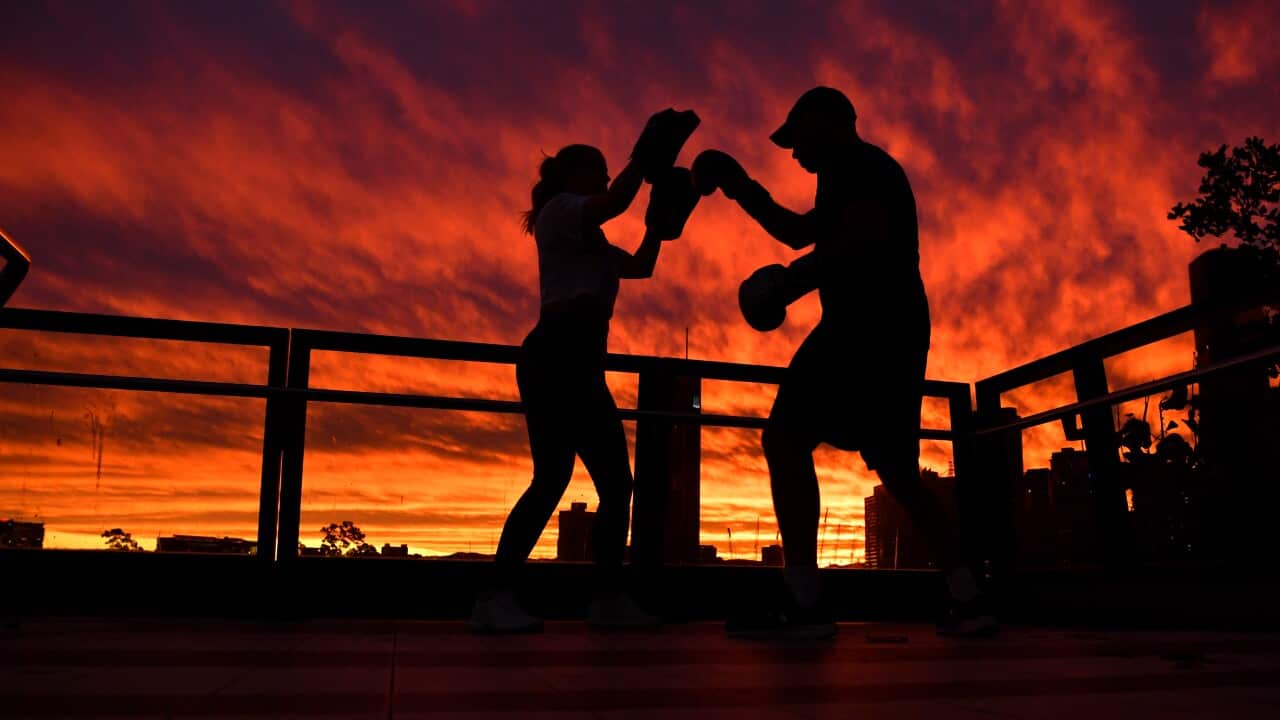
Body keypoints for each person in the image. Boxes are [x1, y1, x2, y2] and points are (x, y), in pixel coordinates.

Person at [692, 87, 996, 639]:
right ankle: (968, 597)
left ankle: (804, 601)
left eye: (797, 138)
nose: (793, 152)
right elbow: (803, 232)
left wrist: (788, 282)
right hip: (894, 331)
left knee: (785, 439)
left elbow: (858, 244)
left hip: (865, 328)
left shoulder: (861, 166)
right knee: (901, 474)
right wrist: (738, 185)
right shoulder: (846, 173)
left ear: (830, 123)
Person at [468, 114, 699, 634]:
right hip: (557, 355)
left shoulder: (590, 239)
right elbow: (616, 201)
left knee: (613, 484)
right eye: (595, 169)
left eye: (605, 168)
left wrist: (658, 229)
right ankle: (497, 595)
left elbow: (640, 267)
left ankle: (604, 598)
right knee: (564, 480)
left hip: (578, 362)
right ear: (569, 176)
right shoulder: (559, 212)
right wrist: (643, 158)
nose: (603, 175)